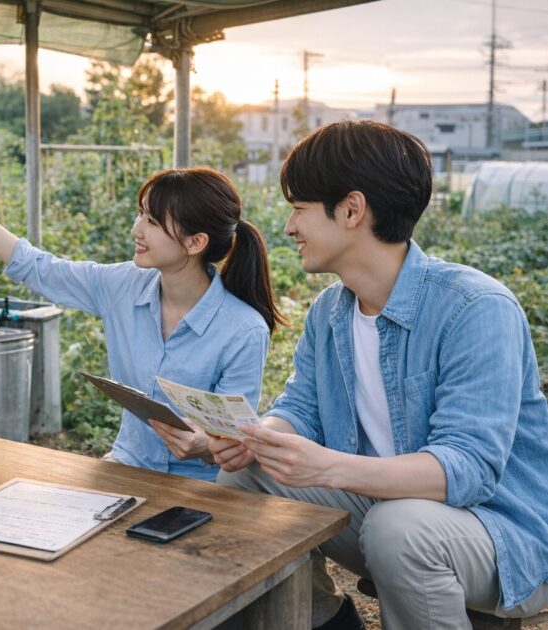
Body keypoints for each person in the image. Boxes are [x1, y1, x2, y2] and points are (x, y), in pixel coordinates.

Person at [208, 120, 548, 630]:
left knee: (399, 527)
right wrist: (261, 438)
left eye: (299, 208)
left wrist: (325, 467)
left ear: (351, 210)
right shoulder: (330, 311)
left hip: (502, 534)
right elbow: (300, 408)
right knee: (247, 475)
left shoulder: (475, 307)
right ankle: (328, 622)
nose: (289, 227)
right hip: (392, 514)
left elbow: (468, 469)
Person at [0, 166, 285, 481]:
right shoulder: (122, 286)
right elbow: (39, 268)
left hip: (203, 487)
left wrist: (204, 445)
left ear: (195, 242)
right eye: (141, 214)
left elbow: (233, 441)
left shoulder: (243, 329)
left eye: (152, 221)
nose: (136, 229)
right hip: (126, 466)